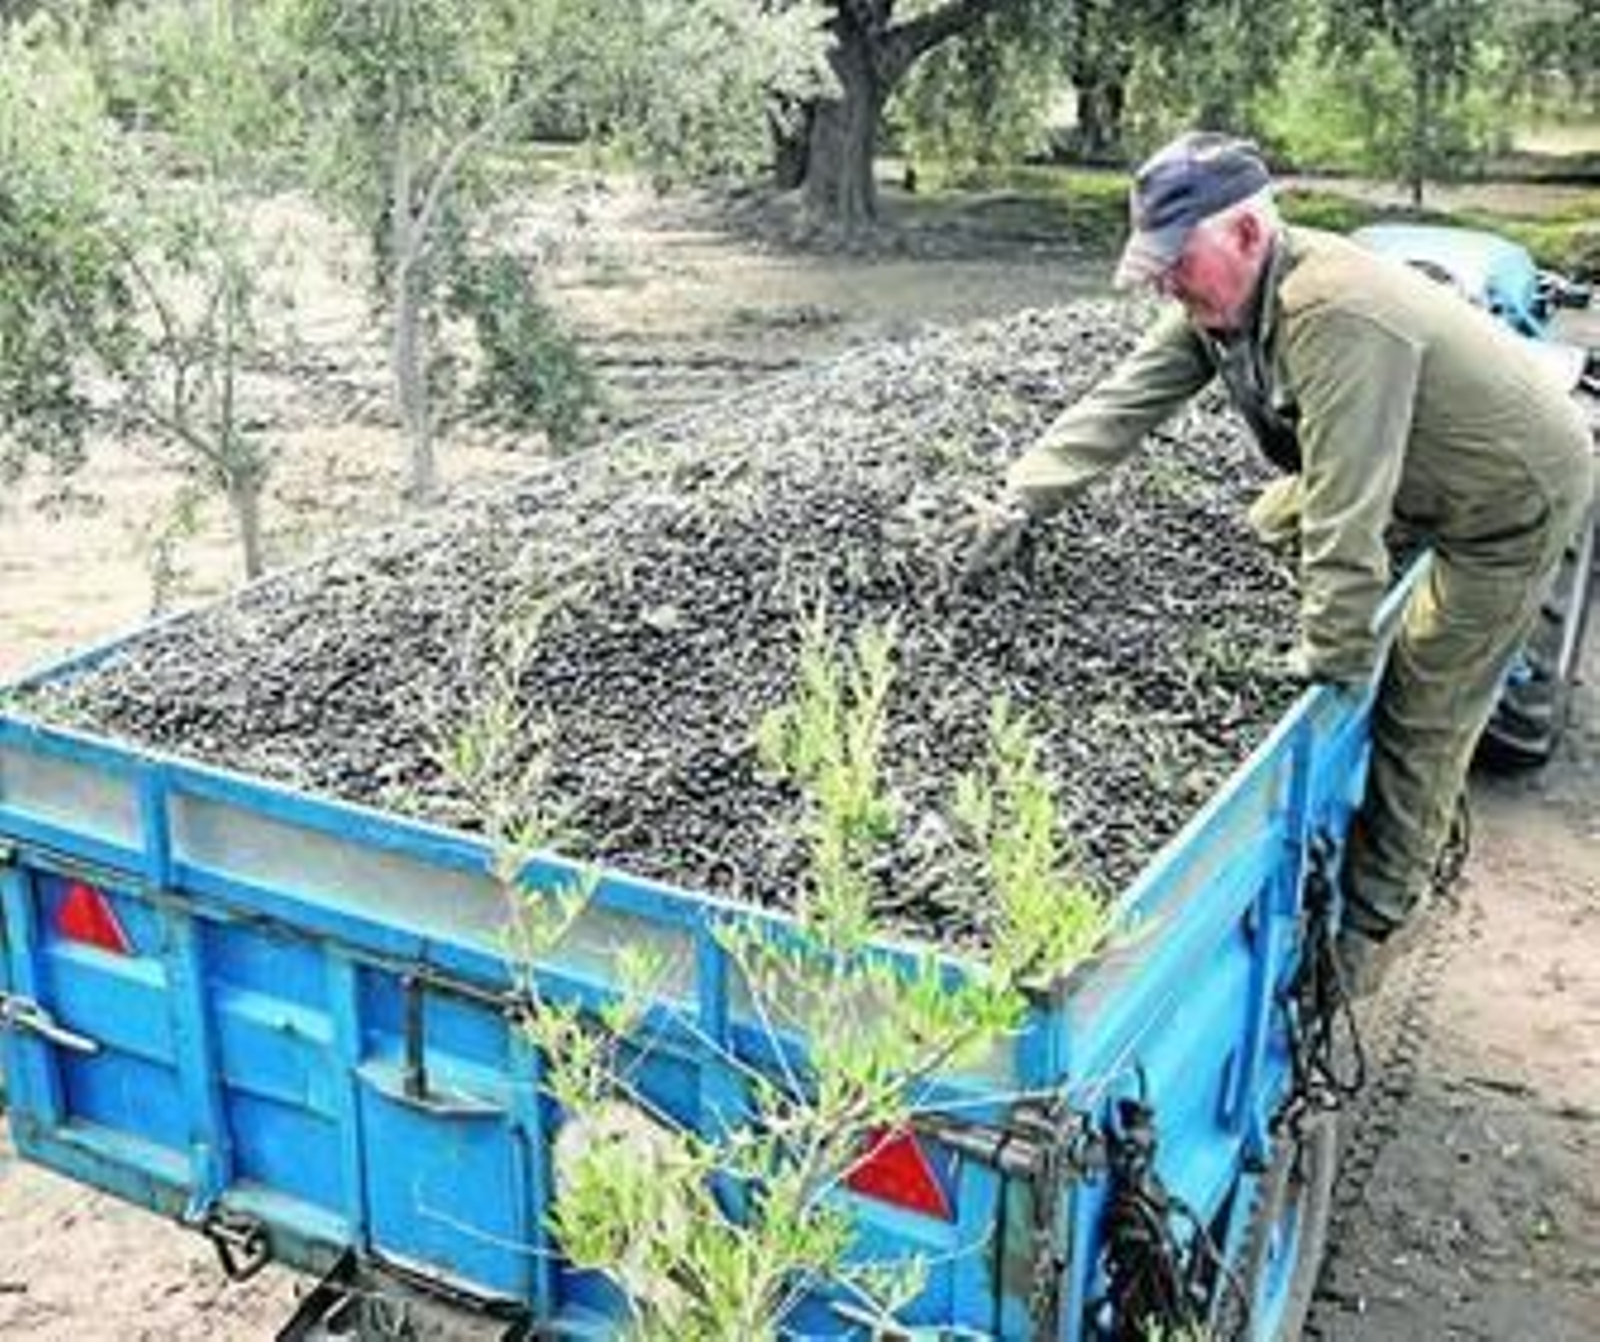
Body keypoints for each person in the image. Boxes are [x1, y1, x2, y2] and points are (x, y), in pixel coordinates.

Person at [963, 130, 1595, 995]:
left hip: (1507, 500)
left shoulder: (1334, 313)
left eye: (1174, 261)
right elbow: (1122, 401)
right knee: (1267, 523)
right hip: (1414, 464)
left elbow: (1346, 505)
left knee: (1422, 702)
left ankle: (1369, 932)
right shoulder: (1222, 305)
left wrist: (1329, 663)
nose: (1162, 281)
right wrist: (1020, 495)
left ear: (1248, 235)